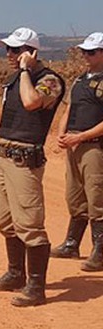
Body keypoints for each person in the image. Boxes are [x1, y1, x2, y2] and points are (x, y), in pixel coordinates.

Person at [0, 27, 65, 307]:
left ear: (31, 53)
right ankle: (16, 274)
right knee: (6, 222)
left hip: (25, 160)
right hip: (4, 155)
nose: (10, 54)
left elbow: (32, 103)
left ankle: (36, 287)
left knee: (29, 225)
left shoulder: (50, 81)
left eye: (16, 50)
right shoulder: (14, 80)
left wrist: (25, 71)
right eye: (8, 49)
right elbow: (8, 119)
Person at [54, 33, 103, 271]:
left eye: (91, 52)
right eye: (84, 51)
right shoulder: (80, 79)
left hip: (94, 145)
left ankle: (100, 252)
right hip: (73, 144)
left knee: (97, 198)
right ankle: (72, 243)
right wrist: (61, 133)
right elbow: (69, 108)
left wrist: (81, 136)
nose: (85, 55)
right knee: (74, 196)